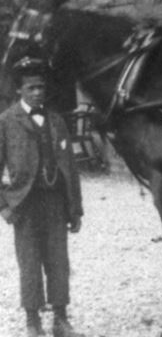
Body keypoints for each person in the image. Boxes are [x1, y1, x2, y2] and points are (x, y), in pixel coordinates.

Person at [0, 57, 84, 337]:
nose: (37, 92)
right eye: (31, 87)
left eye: (41, 87)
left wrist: (76, 209)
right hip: (24, 205)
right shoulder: (6, 121)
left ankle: (61, 320)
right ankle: (33, 322)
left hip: (55, 203)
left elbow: (70, 168)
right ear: (19, 91)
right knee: (30, 263)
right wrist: (4, 208)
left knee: (59, 262)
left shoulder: (57, 120)